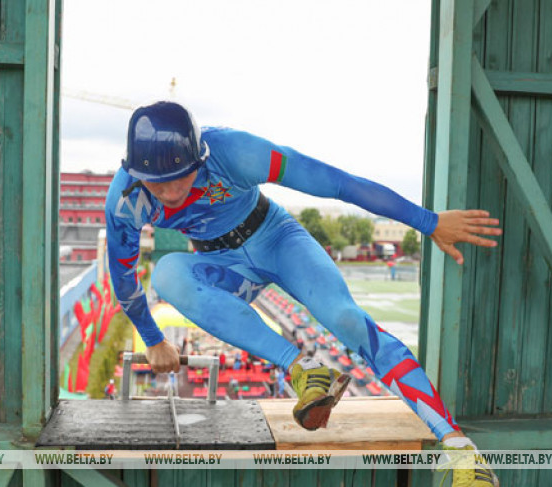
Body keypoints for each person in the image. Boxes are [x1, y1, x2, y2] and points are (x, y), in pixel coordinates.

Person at [106, 101, 501, 486]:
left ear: (201, 157)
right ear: (134, 172)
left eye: (182, 176)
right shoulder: (125, 201)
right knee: (168, 274)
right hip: (224, 267)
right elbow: (123, 276)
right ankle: (303, 369)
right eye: (155, 182)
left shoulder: (234, 151)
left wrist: (428, 222)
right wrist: (154, 339)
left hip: (277, 238)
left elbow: (337, 183)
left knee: (346, 319)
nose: (171, 192)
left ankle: (458, 446)